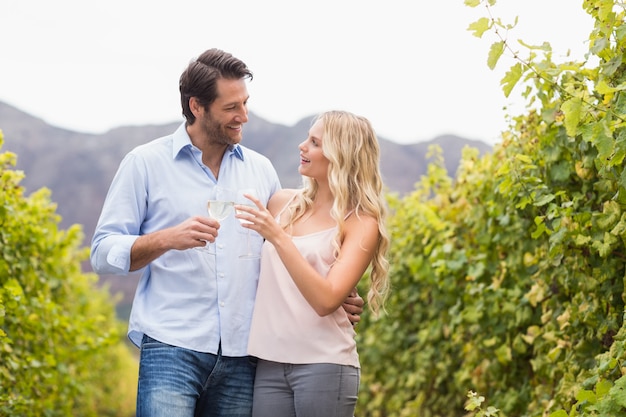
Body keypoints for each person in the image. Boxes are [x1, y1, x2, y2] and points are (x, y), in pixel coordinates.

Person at [90, 49, 364, 417]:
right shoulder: (145, 164)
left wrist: (340, 286)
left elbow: (293, 246)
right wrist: (166, 238)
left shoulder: (261, 171)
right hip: (173, 347)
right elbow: (102, 252)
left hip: (244, 355)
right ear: (197, 106)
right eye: (232, 107)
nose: (244, 116)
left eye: (246, 103)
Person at [236, 110, 390, 417]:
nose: (302, 146)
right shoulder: (281, 204)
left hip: (325, 364)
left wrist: (278, 237)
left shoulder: (361, 221)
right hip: (269, 363)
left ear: (341, 155)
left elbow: (326, 300)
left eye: (315, 142)